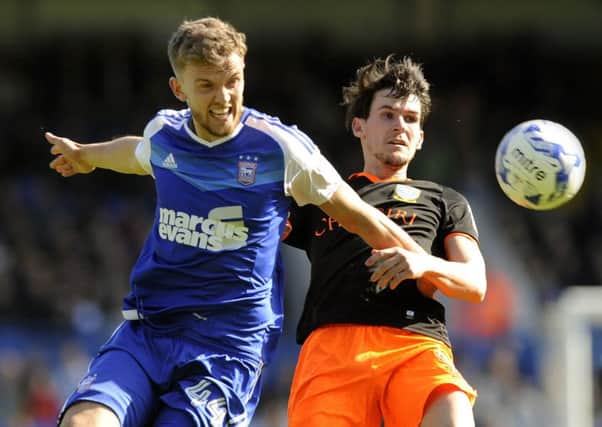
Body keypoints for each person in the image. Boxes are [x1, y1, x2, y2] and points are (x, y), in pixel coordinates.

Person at [45, 18, 423, 427]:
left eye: (233, 81)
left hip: (227, 348)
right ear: (179, 89)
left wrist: (428, 264)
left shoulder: (281, 149)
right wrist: (86, 155)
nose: (224, 97)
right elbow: (139, 153)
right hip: (150, 329)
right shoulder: (166, 134)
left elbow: (360, 216)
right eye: (206, 85)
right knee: (83, 422)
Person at [284, 55, 487, 426]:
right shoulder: (323, 194)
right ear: (359, 126)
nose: (400, 126)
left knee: (456, 418)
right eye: (388, 115)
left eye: (411, 119)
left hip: (416, 341)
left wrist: (423, 263)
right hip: (332, 350)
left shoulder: (445, 200)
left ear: (421, 137)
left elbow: (475, 284)